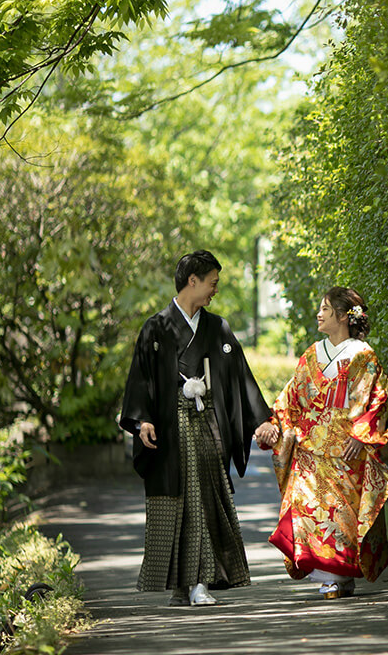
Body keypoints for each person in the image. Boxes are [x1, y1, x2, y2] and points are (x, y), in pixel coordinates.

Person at [119, 250, 279, 607]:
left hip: (205, 425)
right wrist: (142, 420)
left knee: (202, 499)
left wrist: (261, 420)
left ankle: (198, 582)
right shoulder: (155, 328)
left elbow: (241, 377)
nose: (214, 291)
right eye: (212, 283)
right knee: (178, 503)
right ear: (193, 281)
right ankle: (185, 585)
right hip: (168, 428)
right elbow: (140, 380)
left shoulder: (217, 328)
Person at [262, 286, 388, 599]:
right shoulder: (311, 354)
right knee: (310, 511)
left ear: (343, 317)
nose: (319, 314)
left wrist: (361, 436)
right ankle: (330, 576)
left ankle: (340, 577)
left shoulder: (362, 356)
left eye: (325, 309)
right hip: (310, 449)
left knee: (341, 517)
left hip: (346, 450)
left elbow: (379, 397)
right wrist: (273, 424)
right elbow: (291, 397)